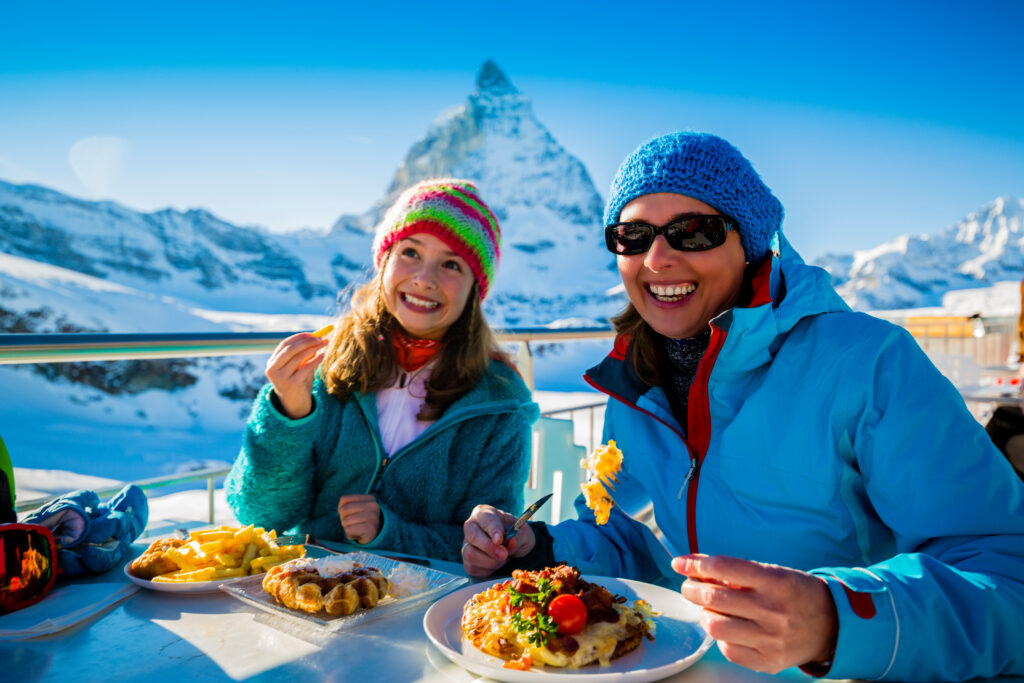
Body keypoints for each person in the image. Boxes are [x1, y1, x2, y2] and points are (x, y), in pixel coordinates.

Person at [461, 133, 1024, 679]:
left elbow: (1005, 574)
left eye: (693, 231)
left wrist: (836, 621)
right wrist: (539, 545)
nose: (656, 258)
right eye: (632, 235)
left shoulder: (869, 363)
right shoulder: (636, 384)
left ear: (749, 244)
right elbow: (631, 545)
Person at [227, 179, 537, 563]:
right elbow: (261, 514)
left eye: (451, 264)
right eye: (410, 252)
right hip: (306, 589)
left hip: (426, 609)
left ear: (475, 289)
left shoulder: (500, 403)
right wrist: (289, 414)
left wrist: (389, 534)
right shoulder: (327, 368)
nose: (424, 278)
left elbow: (493, 545)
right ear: (384, 262)